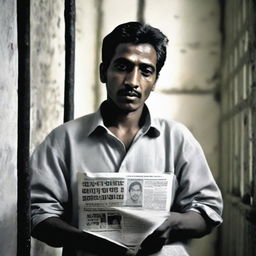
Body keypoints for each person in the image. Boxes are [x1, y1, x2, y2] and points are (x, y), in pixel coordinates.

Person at [30, 21, 223, 256]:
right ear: (104, 72)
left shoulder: (178, 139)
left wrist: (173, 224)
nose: (132, 81)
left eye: (145, 70)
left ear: (154, 81)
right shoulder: (63, 139)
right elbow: (36, 214)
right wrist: (87, 241)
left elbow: (209, 211)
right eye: (122, 66)